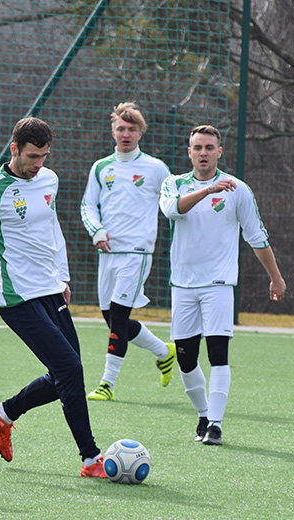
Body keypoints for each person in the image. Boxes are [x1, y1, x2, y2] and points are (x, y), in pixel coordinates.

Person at [0, 117, 107, 478]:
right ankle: (91, 459)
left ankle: (4, 413)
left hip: (51, 290)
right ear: (14, 149)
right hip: (18, 298)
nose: (38, 164)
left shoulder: (49, 179)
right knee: (70, 371)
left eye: (44, 156)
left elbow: (51, 226)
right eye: (32, 156)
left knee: (66, 376)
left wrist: (63, 275)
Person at [159, 124, 286, 445]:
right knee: (186, 359)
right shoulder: (173, 184)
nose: (203, 153)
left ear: (219, 151)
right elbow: (171, 210)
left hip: (218, 284)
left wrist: (276, 276)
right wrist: (207, 191)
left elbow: (257, 237)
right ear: (189, 153)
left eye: (209, 148)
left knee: (218, 354)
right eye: (197, 148)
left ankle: (215, 425)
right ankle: (203, 414)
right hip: (183, 286)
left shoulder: (238, 189)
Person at [80, 102, 176, 401]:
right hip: (107, 253)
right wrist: (96, 231)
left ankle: (106, 385)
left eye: (132, 129)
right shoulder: (101, 167)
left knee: (119, 317)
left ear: (140, 133)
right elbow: (87, 206)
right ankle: (163, 351)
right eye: (121, 128)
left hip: (137, 253)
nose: (126, 134)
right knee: (112, 319)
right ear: (113, 131)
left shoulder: (155, 168)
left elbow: (174, 203)